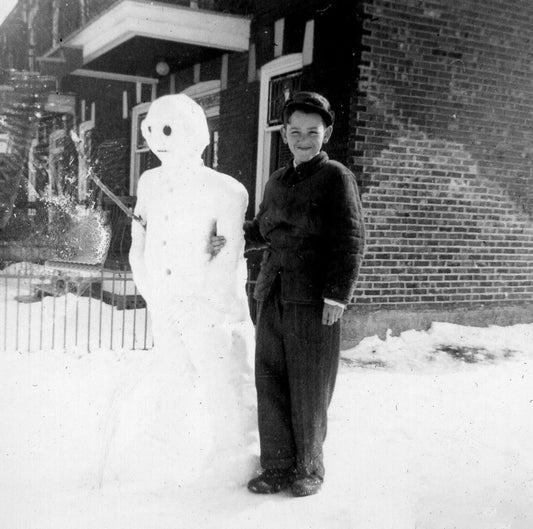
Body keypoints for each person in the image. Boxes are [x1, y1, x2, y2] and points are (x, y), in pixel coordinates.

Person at [211, 91, 365, 497]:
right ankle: (276, 465)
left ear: (326, 133)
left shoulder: (336, 177)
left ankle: (308, 468)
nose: (303, 138)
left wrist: (337, 297)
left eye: (312, 132)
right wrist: (226, 237)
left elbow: (349, 240)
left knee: (310, 385)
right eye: (294, 131)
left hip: (314, 300)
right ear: (283, 134)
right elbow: (262, 229)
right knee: (271, 380)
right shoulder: (278, 181)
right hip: (272, 293)